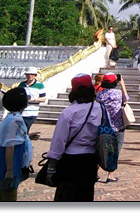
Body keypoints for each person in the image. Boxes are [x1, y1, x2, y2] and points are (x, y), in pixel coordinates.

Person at [45, 73, 103, 201]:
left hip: (70, 160)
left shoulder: (69, 112)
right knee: (85, 196)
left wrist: (51, 167)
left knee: (66, 196)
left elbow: (59, 141)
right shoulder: (100, 109)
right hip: (90, 160)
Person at [0, 87, 32, 201]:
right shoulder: (16, 120)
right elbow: (10, 146)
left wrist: (27, 137)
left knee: (3, 195)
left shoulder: (10, 118)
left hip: (2, 159)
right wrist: (10, 170)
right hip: (8, 162)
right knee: (8, 195)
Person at [95, 73, 127, 183]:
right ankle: (110, 175)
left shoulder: (99, 94)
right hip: (117, 126)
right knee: (115, 150)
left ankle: (95, 173)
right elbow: (126, 99)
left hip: (103, 126)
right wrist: (122, 84)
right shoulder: (118, 93)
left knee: (100, 148)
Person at [18, 67, 45, 134]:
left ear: (35, 75)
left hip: (32, 111)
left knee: (25, 129)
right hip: (21, 111)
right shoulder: (22, 84)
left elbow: (43, 98)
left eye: (31, 74)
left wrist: (33, 100)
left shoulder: (40, 85)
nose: (29, 76)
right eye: (28, 74)